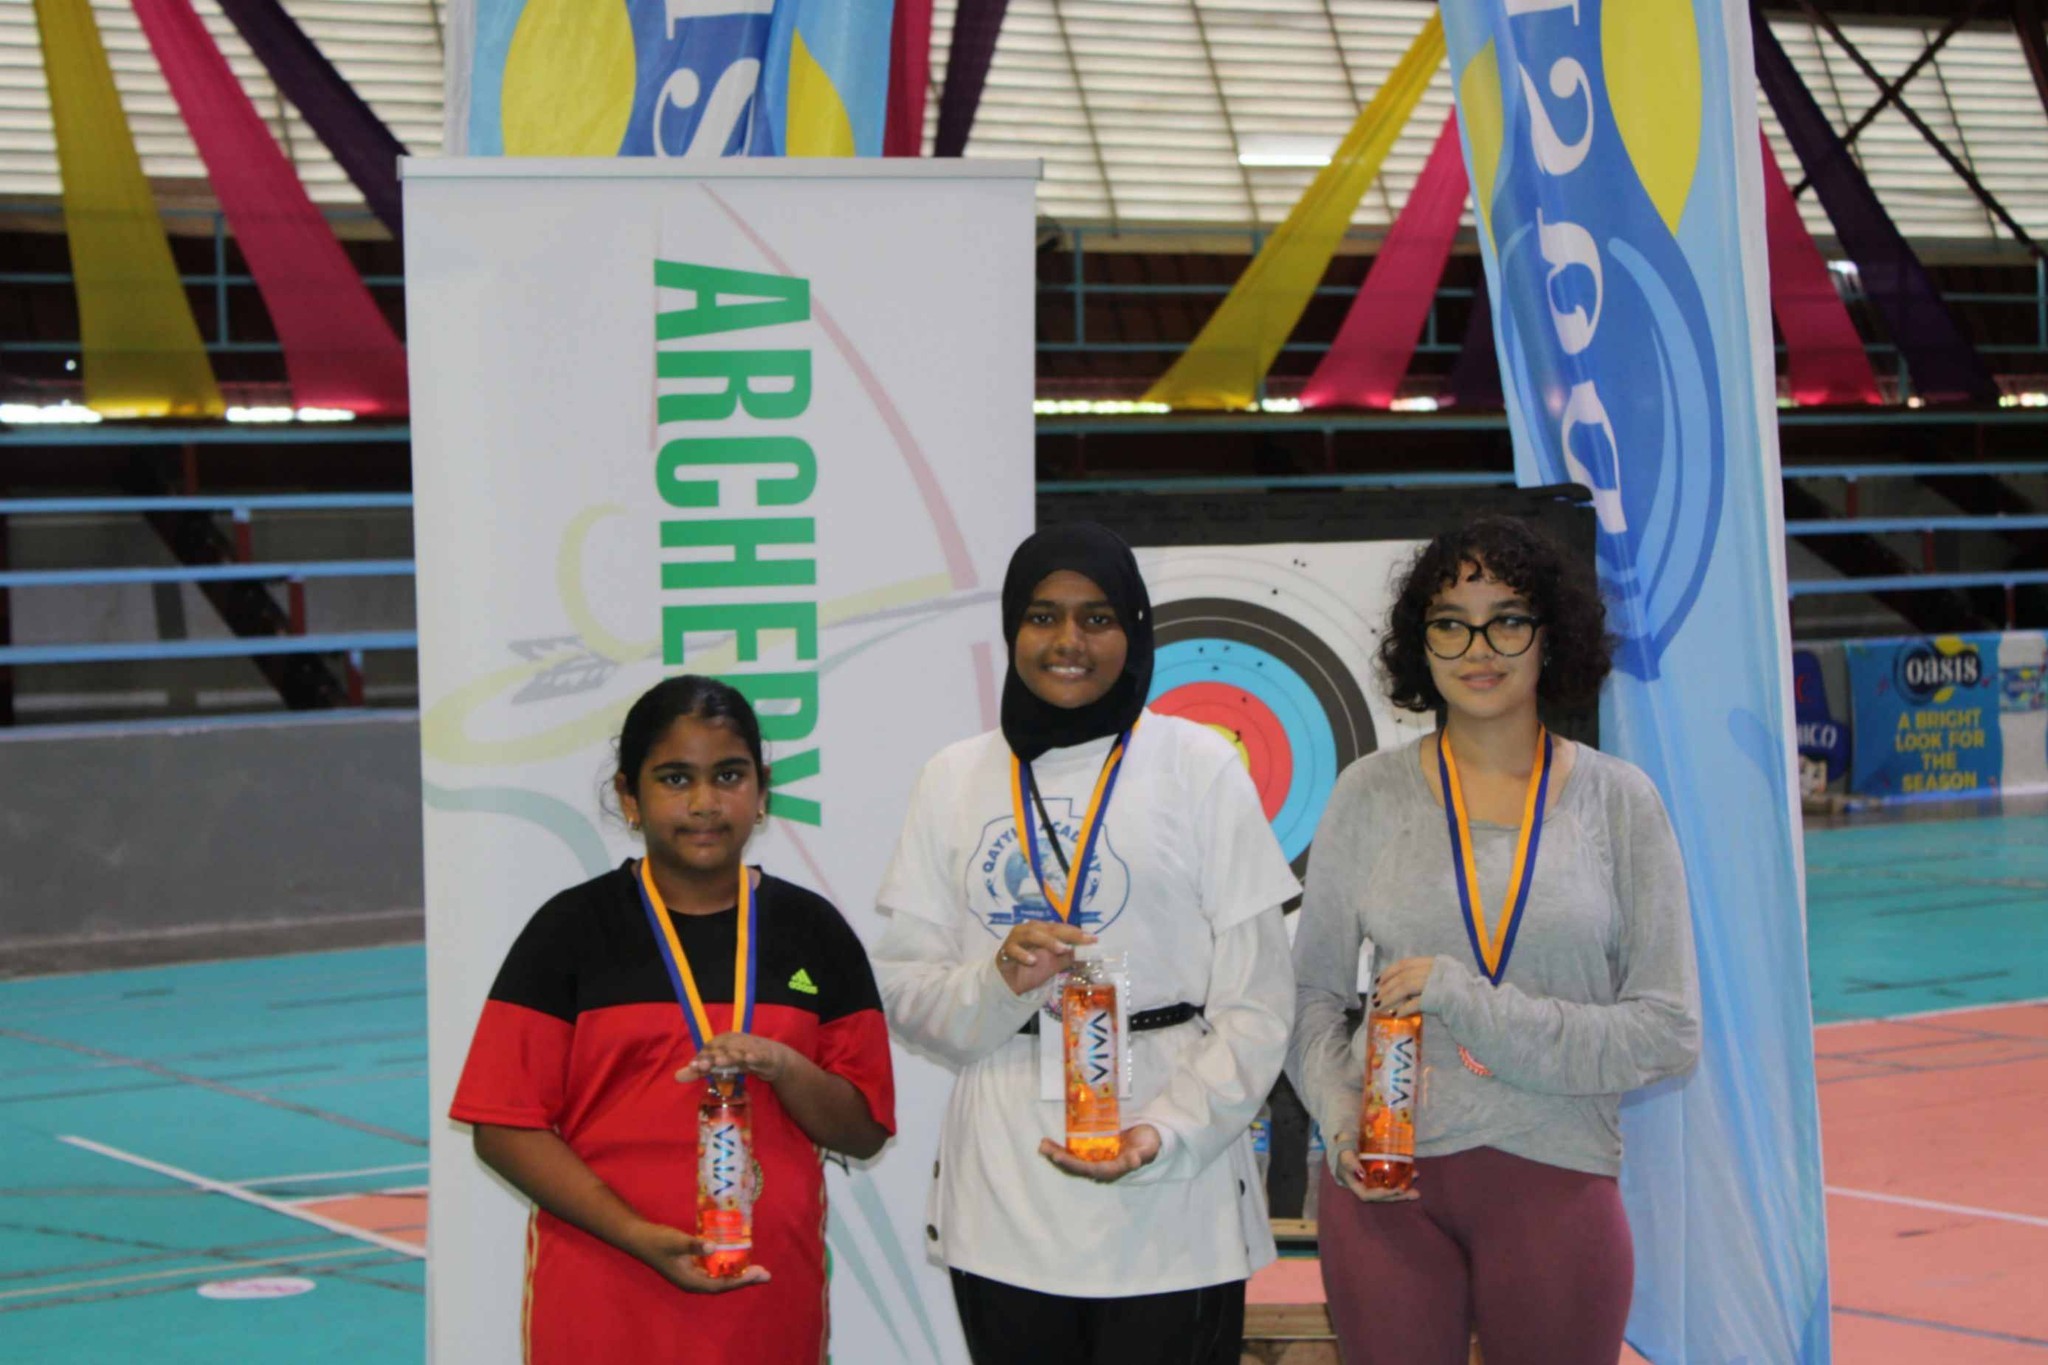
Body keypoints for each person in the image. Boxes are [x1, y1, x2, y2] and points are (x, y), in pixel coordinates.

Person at [873, 521, 1301, 1365]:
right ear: (1011, 629)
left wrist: (1167, 1132)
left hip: (1174, 1189)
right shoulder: (952, 778)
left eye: (1097, 617)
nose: (1068, 641)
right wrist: (998, 981)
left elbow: (1259, 1002)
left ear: (1135, 632)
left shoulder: (1199, 766)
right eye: (1043, 615)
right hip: (1005, 1197)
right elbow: (907, 995)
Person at [1288, 514, 1700, 1365]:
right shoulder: (1368, 795)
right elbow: (1313, 999)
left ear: (1552, 637)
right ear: (1422, 643)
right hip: (1384, 1186)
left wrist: (1466, 1002)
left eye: (1508, 617)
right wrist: (1339, 1121)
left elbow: (1668, 1030)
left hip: (1556, 1176)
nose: (1479, 644)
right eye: (1451, 621)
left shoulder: (1620, 803)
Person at [448, 675, 895, 1363]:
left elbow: (863, 1129)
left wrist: (783, 1064)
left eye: (728, 775)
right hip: (601, 1299)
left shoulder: (815, 931)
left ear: (762, 788)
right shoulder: (570, 930)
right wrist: (633, 1232)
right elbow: (502, 1126)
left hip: (766, 1303)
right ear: (629, 796)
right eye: (675, 778)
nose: (705, 802)